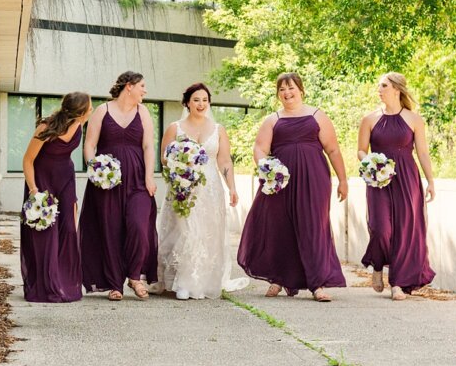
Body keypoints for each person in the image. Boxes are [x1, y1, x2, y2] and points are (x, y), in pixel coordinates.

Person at [237, 72, 348, 302]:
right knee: (281, 228)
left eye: (291, 88)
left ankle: (317, 284)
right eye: (282, 90)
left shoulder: (317, 115)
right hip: (281, 182)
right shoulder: (273, 120)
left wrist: (343, 180)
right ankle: (278, 278)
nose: (287, 93)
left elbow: (333, 150)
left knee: (313, 226)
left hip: (314, 179)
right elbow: (259, 149)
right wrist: (266, 167)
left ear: (301, 90)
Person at [150, 82, 250, 300]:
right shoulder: (175, 128)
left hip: (210, 188)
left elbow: (224, 161)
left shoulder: (218, 129)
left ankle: (201, 281)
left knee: (207, 233)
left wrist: (231, 186)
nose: (201, 104)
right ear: (187, 102)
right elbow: (164, 158)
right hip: (183, 186)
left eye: (205, 100)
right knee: (184, 231)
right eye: (196, 100)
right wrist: (183, 163)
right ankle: (182, 282)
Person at [79, 71, 159, 301]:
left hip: (137, 179)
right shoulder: (102, 111)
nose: (145, 90)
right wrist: (95, 169)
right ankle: (115, 283)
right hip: (108, 182)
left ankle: (134, 276)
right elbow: (90, 145)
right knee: (110, 230)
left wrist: (150, 177)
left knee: (138, 225)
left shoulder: (142, 112)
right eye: (142, 85)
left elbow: (148, 147)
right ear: (129, 86)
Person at [358, 72, 436, 300]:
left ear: (397, 90)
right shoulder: (369, 119)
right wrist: (372, 163)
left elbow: (422, 152)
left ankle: (398, 284)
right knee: (381, 228)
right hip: (378, 179)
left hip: (407, 177)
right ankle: (378, 264)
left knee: (404, 230)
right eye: (379, 85)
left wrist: (430, 181)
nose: (379, 89)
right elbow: (361, 150)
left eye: (383, 85)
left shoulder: (414, 119)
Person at [20, 92, 93, 303]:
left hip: (66, 181)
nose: (91, 110)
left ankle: (64, 284)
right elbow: (28, 160)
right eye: (89, 107)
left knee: (69, 228)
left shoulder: (78, 125)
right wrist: (34, 191)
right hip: (42, 182)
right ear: (79, 111)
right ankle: (45, 286)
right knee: (46, 235)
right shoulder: (45, 128)